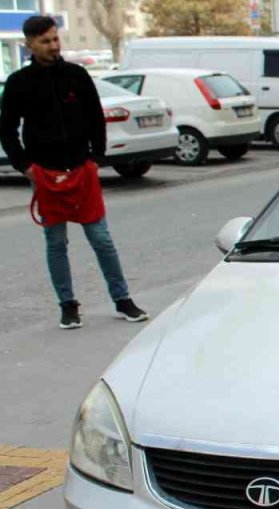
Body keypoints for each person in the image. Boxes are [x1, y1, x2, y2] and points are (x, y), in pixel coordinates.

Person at [0, 15, 147, 330]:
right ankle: (68, 306)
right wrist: (26, 167)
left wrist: (96, 158)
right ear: (29, 45)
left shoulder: (76, 76)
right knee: (56, 243)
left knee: (101, 239)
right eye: (45, 41)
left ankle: (123, 299)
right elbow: (7, 131)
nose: (53, 46)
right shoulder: (19, 83)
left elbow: (96, 119)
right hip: (46, 174)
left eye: (55, 39)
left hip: (82, 169)